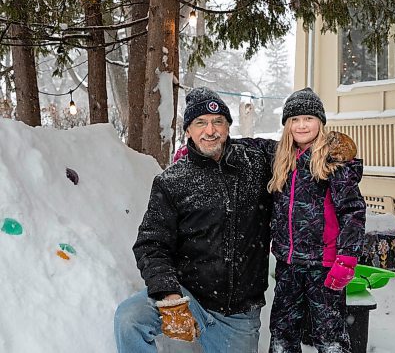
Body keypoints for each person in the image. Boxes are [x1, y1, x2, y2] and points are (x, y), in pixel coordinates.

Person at [114, 87, 275, 353]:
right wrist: (170, 296)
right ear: (188, 130)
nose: (209, 131)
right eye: (200, 123)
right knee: (129, 319)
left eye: (217, 122)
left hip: (238, 315)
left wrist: (328, 148)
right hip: (188, 297)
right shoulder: (172, 182)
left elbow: (297, 150)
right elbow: (151, 244)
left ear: (228, 127)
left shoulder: (255, 166)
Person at [267, 88, 366, 353]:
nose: (302, 125)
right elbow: (249, 146)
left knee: (329, 337)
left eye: (308, 118)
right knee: (281, 335)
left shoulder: (333, 161)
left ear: (320, 123)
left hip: (323, 265)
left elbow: (353, 211)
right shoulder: (282, 159)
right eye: (295, 119)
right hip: (289, 265)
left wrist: (347, 257)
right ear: (287, 125)